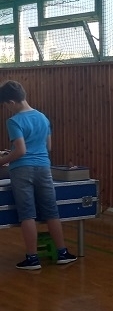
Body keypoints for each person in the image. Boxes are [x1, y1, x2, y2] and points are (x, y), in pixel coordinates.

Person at [0, 80, 78, 271]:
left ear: (11, 102)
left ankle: (32, 258)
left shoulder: (14, 121)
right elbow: (48, 146)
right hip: (44, 168)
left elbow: (21, 151)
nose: (6, 109)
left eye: (5, 105)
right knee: (51, 211)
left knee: (27, 214)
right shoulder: (43, 117)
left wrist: (2, 160)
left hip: (22, 170)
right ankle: (62, 253)